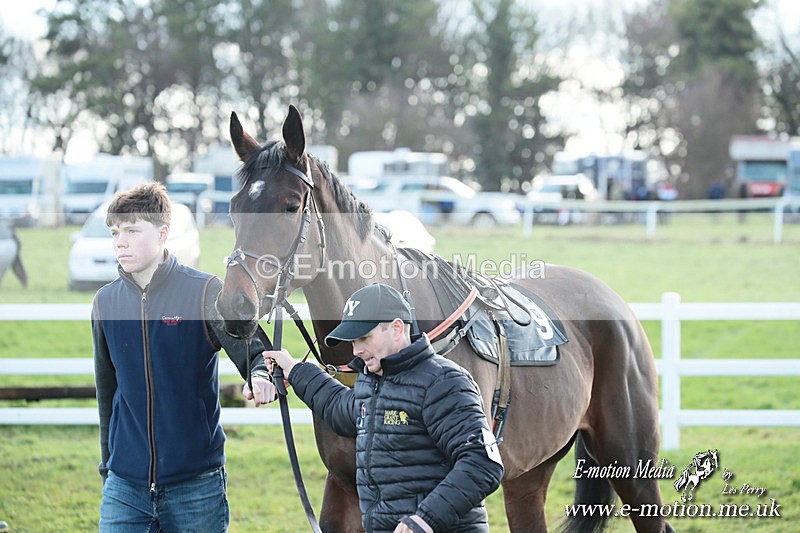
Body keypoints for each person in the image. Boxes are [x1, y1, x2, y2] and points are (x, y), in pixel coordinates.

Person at [92, 182, 276, 532]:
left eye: (132, 230)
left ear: (163, 233)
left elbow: (251, 348)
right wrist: (108, 466)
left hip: (196, 486)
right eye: (116, 232)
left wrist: (261, 374)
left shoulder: (204, 291)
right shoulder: (105, 303)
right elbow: (108, 392)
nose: (121, 241)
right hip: (124, 486)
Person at [267, 283, 504, 533]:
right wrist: (295, 370)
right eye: (352, 341)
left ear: (396, 328)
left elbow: (482, 464)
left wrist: (424, 519)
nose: (356, 350)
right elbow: (341, 407)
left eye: (364, 338)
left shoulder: (444, 382)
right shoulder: (373, 381)